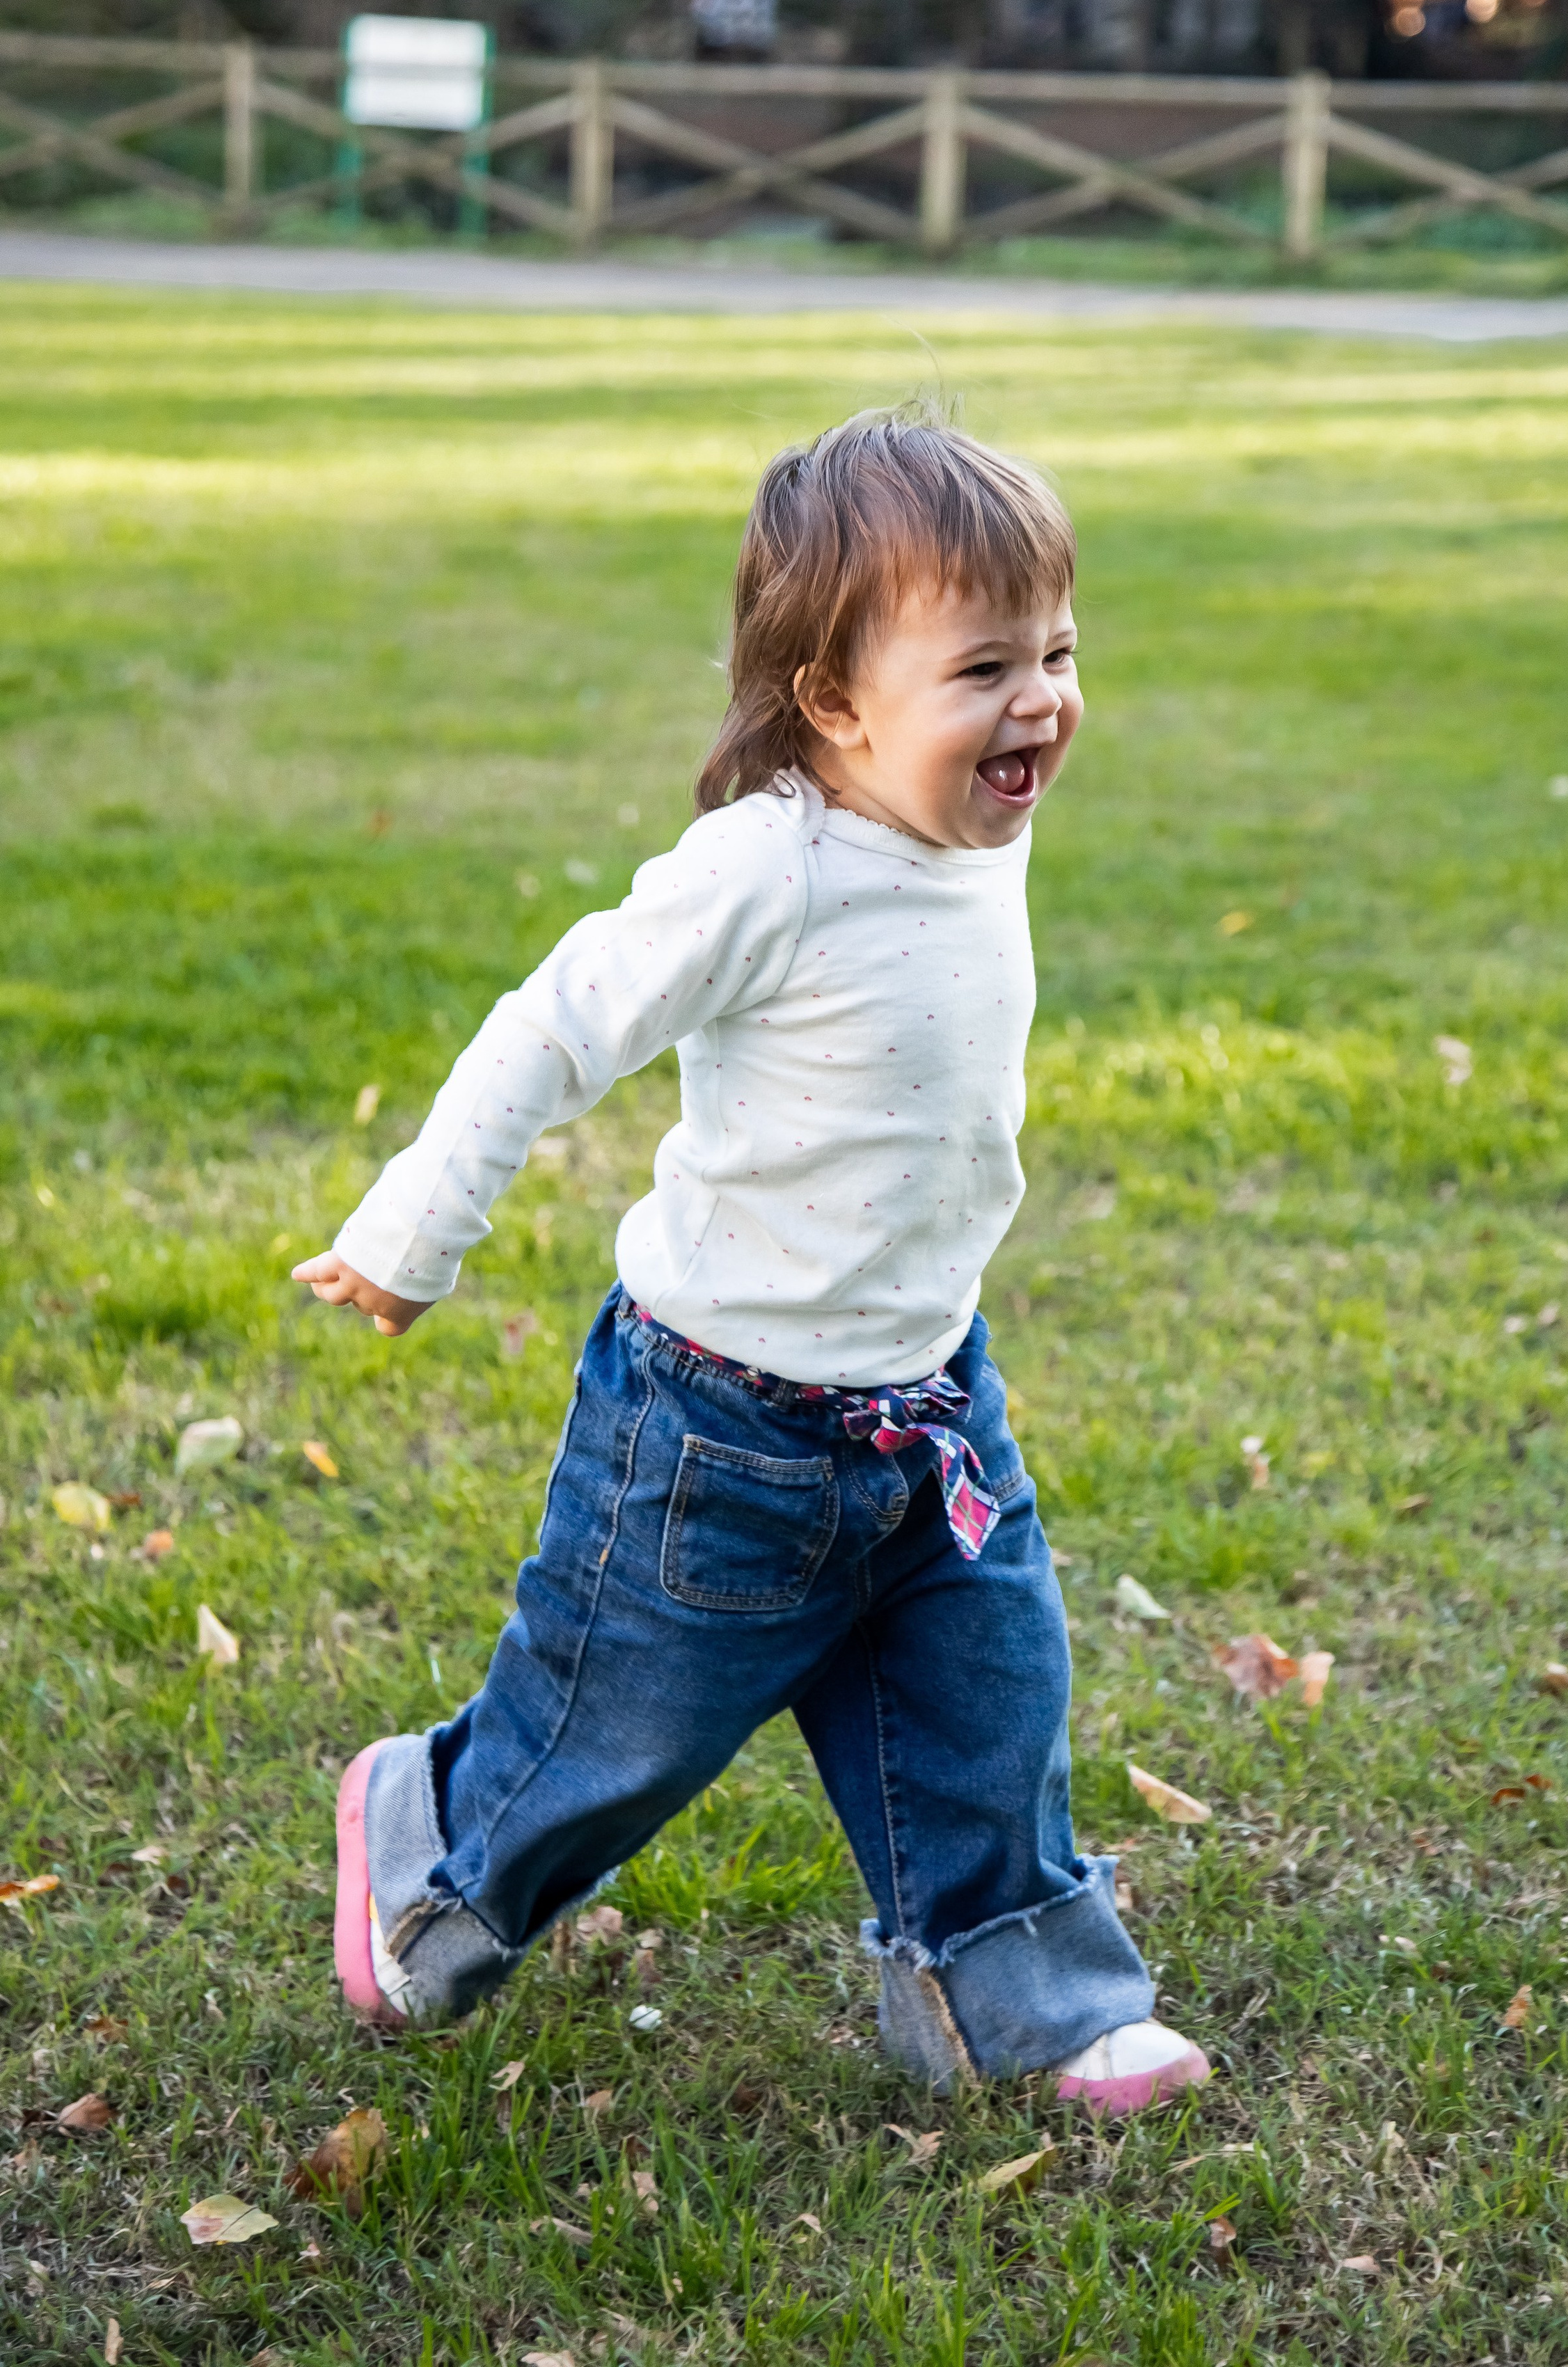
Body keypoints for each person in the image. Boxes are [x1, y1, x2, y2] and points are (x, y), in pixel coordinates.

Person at [294, 407, 1209, 2116]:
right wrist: (412, 1230)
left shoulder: (971, 823)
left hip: (929, 1401)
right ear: (835, 710)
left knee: (989, 1710)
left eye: (1058, 653)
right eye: (985, 668)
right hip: (716, 1431)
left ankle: (1013, 2000)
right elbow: (548, 1030)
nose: (1039, 705)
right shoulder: (764, 867)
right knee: (611, 1738)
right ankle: (433, 1837)